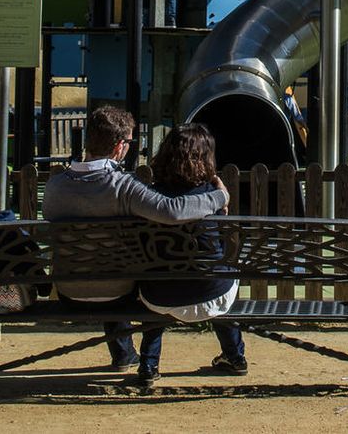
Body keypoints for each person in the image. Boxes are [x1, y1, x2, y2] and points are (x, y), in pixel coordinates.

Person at [41, 105, 229, 373]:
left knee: (105, 259)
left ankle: (124, 355)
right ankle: (128, 356)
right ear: (119, 147)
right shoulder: (123, 187)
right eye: (129, 142)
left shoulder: (55, 187)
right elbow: (171, 210)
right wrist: (219, 196)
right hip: (117, 293)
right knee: (120, 268)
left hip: (69, 291)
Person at [135, 123, 246, 383]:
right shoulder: (212, 197)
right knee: (221, 272)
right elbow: (221, 243)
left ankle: (149, 364)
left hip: (161, 295)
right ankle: (235, 355)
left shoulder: (151, 197)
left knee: (157, 274)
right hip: (212, 293)